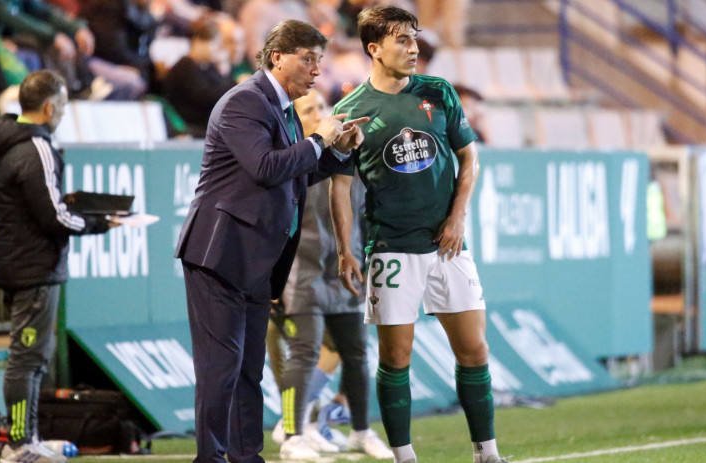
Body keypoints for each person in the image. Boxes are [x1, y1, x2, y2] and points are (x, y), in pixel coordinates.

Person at [174, 19, 368, 463]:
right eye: (308, 60)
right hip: (219, 255)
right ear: (277, 57)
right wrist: (320, 137)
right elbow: (265, 167)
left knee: (248, 369)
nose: (317, 71)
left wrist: (339, 150)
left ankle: (246, 457)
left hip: (257, 260)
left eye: (320, 61)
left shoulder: (279, 107)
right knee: (220, 369)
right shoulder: (246, 101)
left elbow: (295, 175)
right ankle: (211, 458)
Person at [329, 7, 507, 463]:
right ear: (374, 48)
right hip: (391, 248)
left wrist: (457, 218)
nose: (412, 49)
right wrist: (345, 250)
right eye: (402, 41)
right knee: (396, 357)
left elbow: (470, 159)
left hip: (448, 245)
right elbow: (342, 185)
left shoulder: (439, 92)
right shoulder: (349, 112)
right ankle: (404, 456)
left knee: (474, 349)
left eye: (414, 39)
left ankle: (486, 453)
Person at [0, 70, 114, 463]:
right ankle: (19, 443)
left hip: (16, 263)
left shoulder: (6, 141)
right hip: (35, 270)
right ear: (49, 107)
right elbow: (54, 218)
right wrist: (97, 222)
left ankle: (29, 438)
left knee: (32, 358)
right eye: (62, 106)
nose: (62, 113)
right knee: (27, 359)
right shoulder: (37, 147)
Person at [274, 88, 393, 460]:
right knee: (304, 353)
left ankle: (360, 431)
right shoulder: (291, 163)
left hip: (343, 271)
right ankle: (292, 434)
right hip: (301, 273)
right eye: (310, 109)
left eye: (322, 106)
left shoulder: (347, 158)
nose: (321, 112)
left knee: (356, 354)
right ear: (297, 121)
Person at [161, 14, 236, 137]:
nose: (218, 50)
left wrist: (225, 72)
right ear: (200, 42)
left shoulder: (206, 66)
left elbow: (221, 88)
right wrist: (233, 84)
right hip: (191, 124)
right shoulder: (185, 66)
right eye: (215, 44)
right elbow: (206, 97)